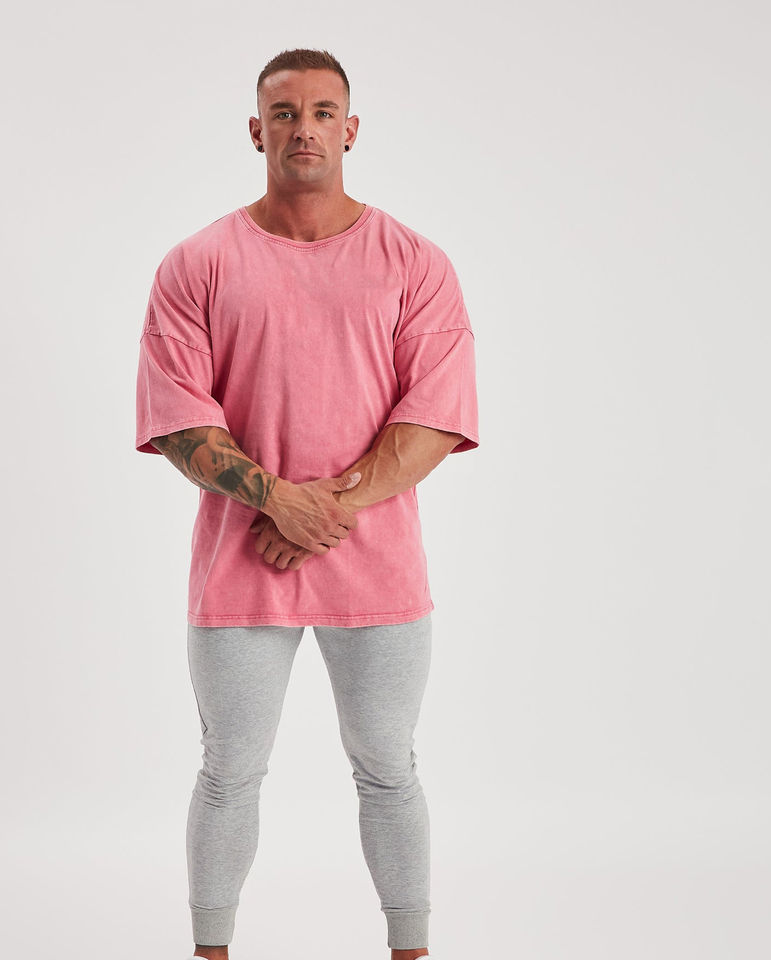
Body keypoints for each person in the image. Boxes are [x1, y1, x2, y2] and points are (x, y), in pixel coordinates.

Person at [135, 47, 479, 960]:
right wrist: (276, 500)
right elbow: (178, 422)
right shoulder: (197, 263)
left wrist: (316, 511)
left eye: (324, 112)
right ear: (257, 131)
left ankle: (410, 949)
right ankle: (211, 951)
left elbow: (435, 417)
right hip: (242, 565)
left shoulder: (415, 262)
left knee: (388, 769)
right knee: (228, 771)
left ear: (351, 130)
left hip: (379, 567)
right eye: (285, 113)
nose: (304, 129)